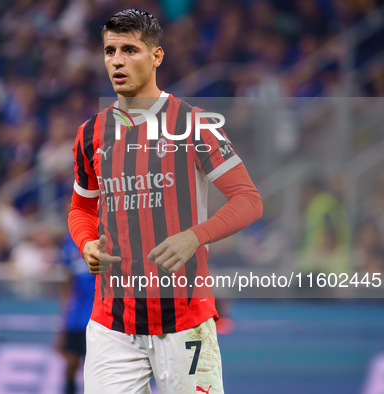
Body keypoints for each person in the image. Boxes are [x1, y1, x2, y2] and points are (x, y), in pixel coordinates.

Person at [68, 9, 263, 393]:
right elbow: (82, 208)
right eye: (110, 51)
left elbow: (248, 199)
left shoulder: (194, 124)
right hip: (112, 325)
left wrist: (196, 235)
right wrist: (85, 242)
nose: (117, 61)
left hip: (184, 321)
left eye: (130, 50)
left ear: (157, 55)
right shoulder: (90, 133)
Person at [58, 231, 96, 394]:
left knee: (93, 368)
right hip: (76, 317)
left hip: (98, 317)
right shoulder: (68, 242)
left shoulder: (106, 235)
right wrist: (63, 322)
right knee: (71, 364)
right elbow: (69, 284)